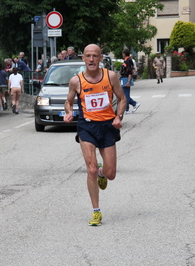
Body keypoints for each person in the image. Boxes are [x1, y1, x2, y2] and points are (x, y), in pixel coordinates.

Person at [63, 44, 126, 226]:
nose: (91, 59)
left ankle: (101, 172)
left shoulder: (110, 76)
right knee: (89, 168)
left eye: (95, 56)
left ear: (100, 58)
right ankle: (96, 211)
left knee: (111, 174)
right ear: (83, 58)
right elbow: (68, 102)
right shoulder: (76, 81)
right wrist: (68, 112)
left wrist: (118, 116)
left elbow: (122, 99)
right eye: (88, 56)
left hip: (107, 126)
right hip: (87, 127)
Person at [121, 48, 140, 114]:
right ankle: (132, 105)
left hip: (126, 78)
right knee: (124, 94)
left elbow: (130, 71)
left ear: (124, 54)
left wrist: (128, 81)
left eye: (123, 53)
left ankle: (129, 108)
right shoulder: (126, 60)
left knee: (125, 95)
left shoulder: (128, 60)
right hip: (124, 78)